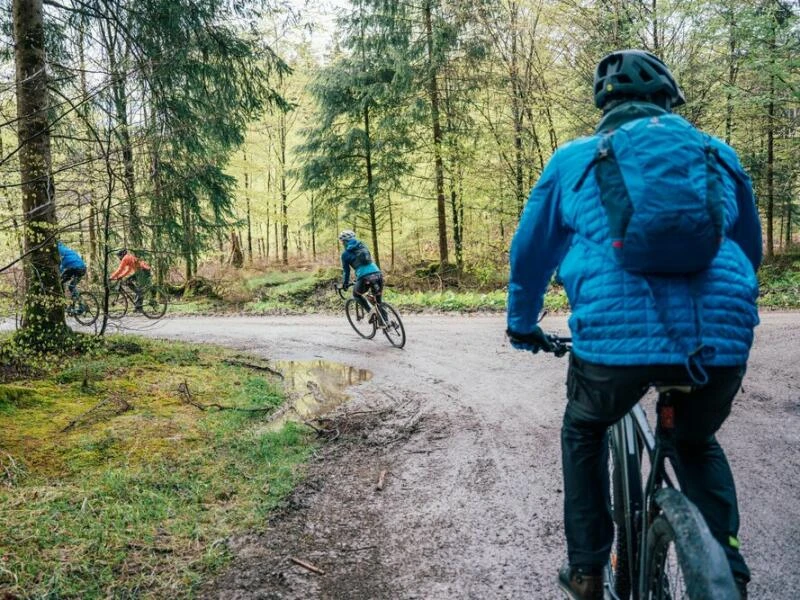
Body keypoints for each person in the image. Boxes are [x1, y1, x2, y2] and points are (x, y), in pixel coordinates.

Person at [506, 50, 761, 600]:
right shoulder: (718, 154)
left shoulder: (574, 159)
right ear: (669, 101)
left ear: (604, 106)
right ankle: (729, 575)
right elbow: (749, 251)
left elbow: (530, 253)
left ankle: (587, 571)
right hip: (716, 339)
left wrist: (522, 323)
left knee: (584, 428)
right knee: (696, 441)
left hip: (613, 344)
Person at [338, 230, 387, 324]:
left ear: (345, 241)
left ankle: (370, 312)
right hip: (377, 273)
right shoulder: (363, 245)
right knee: (378, 300)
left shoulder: (345, 254)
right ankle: (386, 323)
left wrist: (345, 284)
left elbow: (346, 271)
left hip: (364, 277)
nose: (342, 243)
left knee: (356, 295)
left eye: (342, 241)